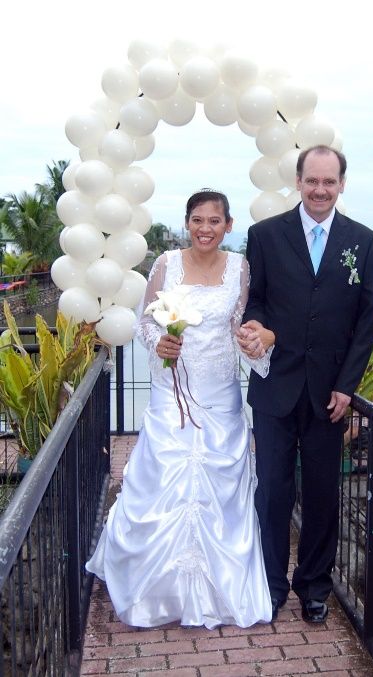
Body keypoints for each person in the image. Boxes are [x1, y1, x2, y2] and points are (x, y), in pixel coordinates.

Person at [86, 189, 274, 629]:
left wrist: (252, 341)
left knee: (221, 485)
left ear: (228, 226)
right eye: (197, 220)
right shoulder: (165, 263)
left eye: (214, 221)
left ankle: (220, 587)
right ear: (186, 223)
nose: (205, 228)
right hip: (171, 389)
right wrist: (159, 341)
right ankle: (156, 590)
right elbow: (148, 321)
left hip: (219, 391)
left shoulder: (240, 267)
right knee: (163, 476)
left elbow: (238, 323)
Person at [238, 145, 373, 624]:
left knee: (322, 494)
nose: (320, 190)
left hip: (329, 395)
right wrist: (255, 329)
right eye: (312, 181)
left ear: (342, 185)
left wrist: (348, 385)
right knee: (272, 492)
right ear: (298, 182)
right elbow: (254, 301)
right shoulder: (264, 235)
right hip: (275, 387)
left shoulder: (363, 241)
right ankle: (272, 584)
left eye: (330, 182)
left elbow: (364, 323)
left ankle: (315, 586)